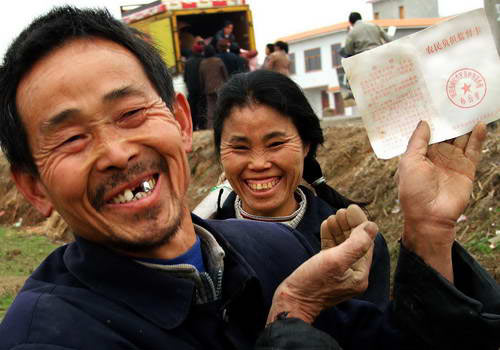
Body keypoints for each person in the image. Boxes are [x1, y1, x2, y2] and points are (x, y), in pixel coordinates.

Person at [1, 6, 499, 350]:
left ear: (180, 120)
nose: (115, 152)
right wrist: (293, 315)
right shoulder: (47, 336)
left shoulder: (274, 250)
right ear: (33, 187)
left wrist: (430, 232)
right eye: (70, 139)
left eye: (130, 112)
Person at [212, 70, 390, 308]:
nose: (258, 164)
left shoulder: (353, 244)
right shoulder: (204, 241)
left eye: (275, 144)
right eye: (240, 147)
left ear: (306, 145)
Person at [199, 45, 228, 129]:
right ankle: (224, 125)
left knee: (211, 108)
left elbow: (201, 78)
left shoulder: (202, 63)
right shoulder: (218, 61)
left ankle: (211, 128)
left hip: (208, 89)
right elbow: (225, 74)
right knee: (222, 106)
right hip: (221, 88)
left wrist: (203, 88)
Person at [183, 37, 205, 130]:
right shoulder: (203, 61)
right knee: (202, 107)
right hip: (201, 88)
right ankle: (202, 126)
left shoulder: (188, 62)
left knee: (192, 108)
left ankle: (193, 127)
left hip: (191, 89)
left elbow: (185, 77)